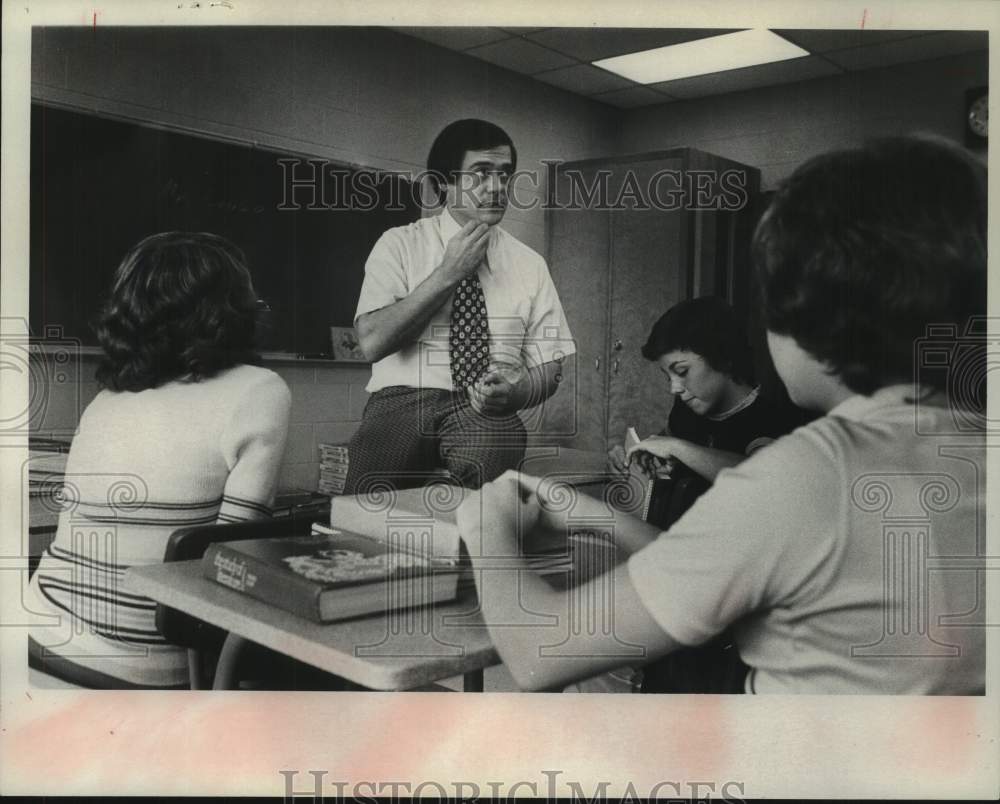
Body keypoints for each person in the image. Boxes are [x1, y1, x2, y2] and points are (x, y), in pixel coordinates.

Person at [456, 135, 986, 694]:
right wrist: (586, 511)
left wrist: (485, 526)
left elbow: (539, 654)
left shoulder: (802, 474)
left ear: (804, 313)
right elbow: (719, 561)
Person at [27, 232, 291, 689]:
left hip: (33, 633)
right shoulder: (259, 389)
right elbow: (231, 566)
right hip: (139, 667)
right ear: (231, 305)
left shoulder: (109, 396)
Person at [343, 119, 574, 494]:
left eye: (505, 175)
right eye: (481, 174)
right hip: (401, 398)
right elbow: (372, 342)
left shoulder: (529, 264)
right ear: (444, 184)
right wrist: (448, 274)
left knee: (493, 474)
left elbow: (550, 365)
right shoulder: (399, 244)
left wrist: (514, 394)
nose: (497, 187)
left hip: (482, 407)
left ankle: (478, 546)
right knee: (363, 504)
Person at [599, 296, 797, 693]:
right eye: (667, 376)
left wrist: (678, 450)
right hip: (677, 584)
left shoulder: (771, 417)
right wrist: (648, 457)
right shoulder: (687, 412)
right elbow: (676, 454)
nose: (676, 387)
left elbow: (763, 478)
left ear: (721, 358)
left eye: (682, 371)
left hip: (735, 612)